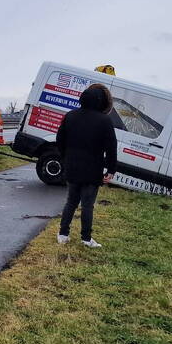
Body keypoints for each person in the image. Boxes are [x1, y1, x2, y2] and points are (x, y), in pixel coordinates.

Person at [55, 83, 117, 247]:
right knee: (87, 205)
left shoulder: (70, 115)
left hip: (72, 166)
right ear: (101, 101)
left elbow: (59, 140)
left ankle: (63, 234)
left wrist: (65, 157)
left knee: (71, 202)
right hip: (93, 169)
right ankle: (86, 238)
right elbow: (111, 147)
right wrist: (111, 169)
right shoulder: (105, 120)